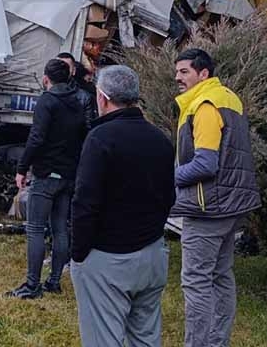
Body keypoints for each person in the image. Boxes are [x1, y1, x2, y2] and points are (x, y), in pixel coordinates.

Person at [70, 65, 175, 346]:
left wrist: (79, 254)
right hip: (152, 253)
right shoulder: (161, 139)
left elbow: (85, 201)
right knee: (145, 338)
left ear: (102, 98)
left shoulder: (100, 138)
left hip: (108, 257)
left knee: (103, 339)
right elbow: (169, 197)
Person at [172, 48, 261, 347]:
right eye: (177, 71)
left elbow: (205, 165)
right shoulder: (229, 98)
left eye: (184, 71)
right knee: (222, 275)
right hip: (232, 206)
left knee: (196, 282)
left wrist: (165, 179)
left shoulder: (205, 105)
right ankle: (217, 342)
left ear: (204, 74)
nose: (178, 77)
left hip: (207, 208)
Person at [9, 59, 87, 299]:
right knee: (60, 228)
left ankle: (32, 285)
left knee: (34, 228)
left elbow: (36, 137)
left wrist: (22, 168)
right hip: (69, 173)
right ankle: (54, 281)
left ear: (46, 79)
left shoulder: (47, 100)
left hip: (47, 173)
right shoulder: (78, 100)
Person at [57, 51, 97, 123]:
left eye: (66, 67)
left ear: (74, 71)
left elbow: (88, 124)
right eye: (57, 66)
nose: (61, 71)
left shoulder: (84, 97)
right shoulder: (47, 92)